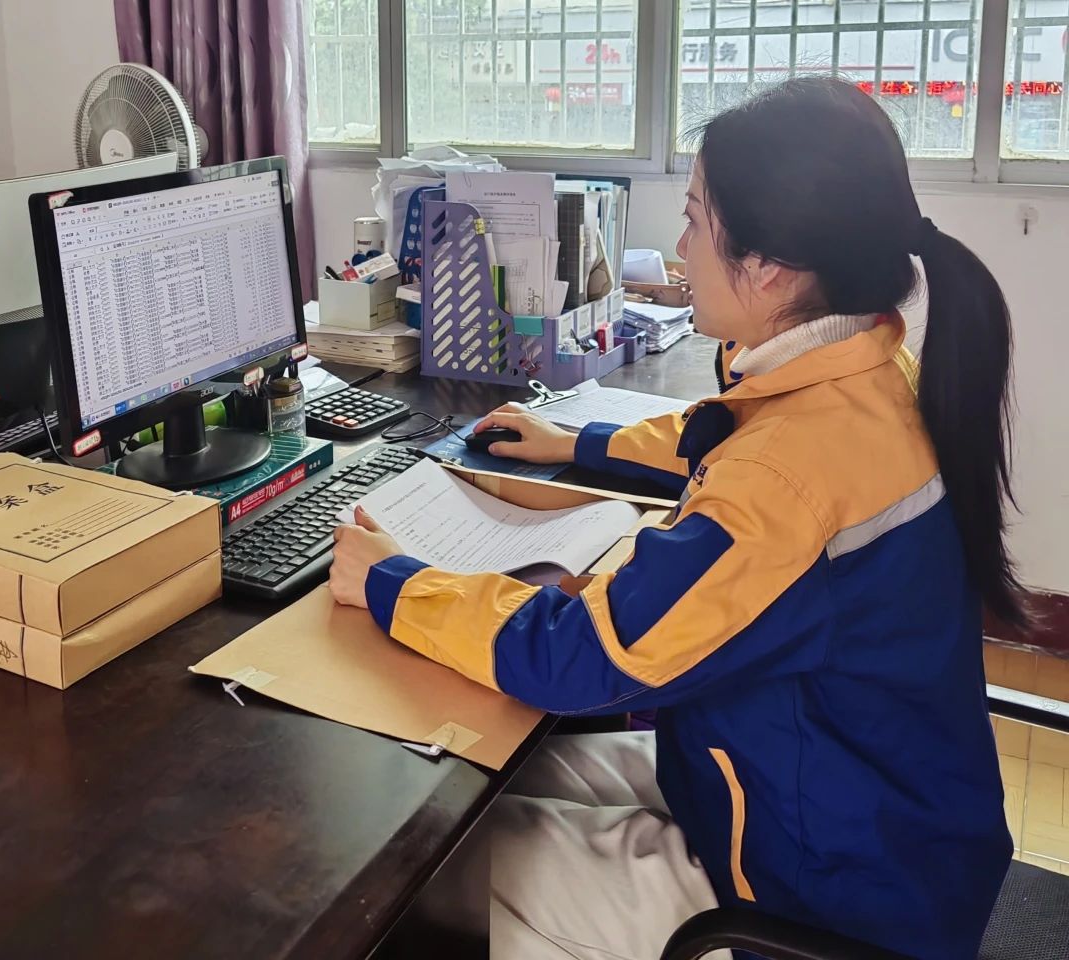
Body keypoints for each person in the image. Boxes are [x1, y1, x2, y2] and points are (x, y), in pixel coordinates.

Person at [330, 76, 1021, 960]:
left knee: (428, 871)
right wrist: (576, 441)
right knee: (496, 774)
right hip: (851, 806)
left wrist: (392, 582)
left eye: (695, 220)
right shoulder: (864, 374)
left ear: (769, 264)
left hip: (814, 897)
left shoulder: (786, 481)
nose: (681, 248)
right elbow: (728, 434)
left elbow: (585, 654)